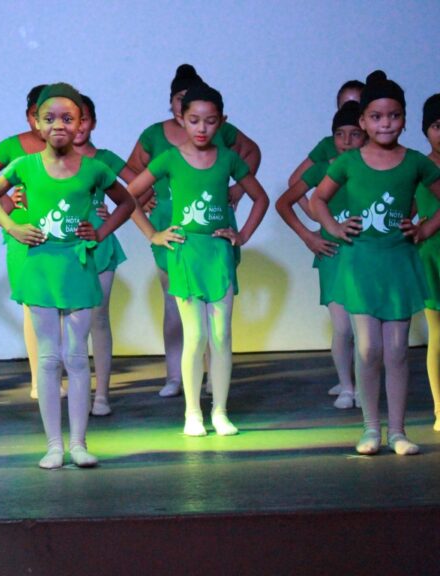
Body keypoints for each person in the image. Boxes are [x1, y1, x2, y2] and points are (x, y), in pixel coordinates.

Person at [0, 83, 140, 469]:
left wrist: (100, 233)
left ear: (80, 123)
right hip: (40, 269)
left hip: (78, 266)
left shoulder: (95, 169)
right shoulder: (25, 166)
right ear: (36, 123)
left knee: (76, 356)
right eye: (50, 118)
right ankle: (54, 445)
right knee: (50, 358)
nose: (58, 125)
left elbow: (128, 200)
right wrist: (13, 227)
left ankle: (80, 443)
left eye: (68, 118)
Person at [310, 71, 440, 455]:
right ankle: (370, 429)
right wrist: (333, 226)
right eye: (377, 117)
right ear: (363, 121)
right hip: (361, 262)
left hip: (398, 262)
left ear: (403, 118)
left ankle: (397, 431)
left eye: (394, 116)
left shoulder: (415, 161)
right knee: (368, 349)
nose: (386, 124)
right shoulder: (349, 162)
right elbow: (318, 200)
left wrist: (424, 229)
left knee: (397, 349)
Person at [129, 83, 268, 436]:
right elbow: (128, 195)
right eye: (194, 120)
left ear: (222, 121)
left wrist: (243, 235)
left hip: (218, 252)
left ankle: (220, 411)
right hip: (185, 252)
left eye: (209, 121)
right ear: (181, 118)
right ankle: (193, 413)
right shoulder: (170, 158)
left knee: (221, 335)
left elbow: (261, 198)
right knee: (196, 336)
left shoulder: (229, 158)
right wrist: (152, 234)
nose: (202, 129)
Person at [275, 101, 365, 409]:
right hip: (333, 254)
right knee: (342, 327)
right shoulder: (324, 169)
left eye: (355, 134)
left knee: (364, 329)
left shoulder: (378, 168)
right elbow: (285, 200)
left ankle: (363, 386)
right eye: (340, 134)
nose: (347, 141)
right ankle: (347, 387)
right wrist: (309, 235)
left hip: (368, 257)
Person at [0, 84, 61, 400]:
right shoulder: (14, 146)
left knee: (64, 305)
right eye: (42, 114)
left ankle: (58, 374)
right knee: (33, 306)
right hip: (23, 233)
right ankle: (40, 380)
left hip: (62, 234)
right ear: (31, 116)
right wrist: (7, 198)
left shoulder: (66, 145)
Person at [73, 94, 137, 416]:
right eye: (73, 118)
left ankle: (102, 395)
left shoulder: (105, 158)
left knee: (98, 319)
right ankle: (77, 392)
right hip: (63, 245)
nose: (79, 125)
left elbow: (139, 187)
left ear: (93, 122)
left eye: (85, 118)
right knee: (69, 324)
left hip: (99, 241)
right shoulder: (53, 161)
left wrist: (109, 211)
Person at [416, 93, 440, 431]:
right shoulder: (419, 168)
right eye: (437, 125)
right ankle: (439, 407)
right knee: (437, 332)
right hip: (431, 255)